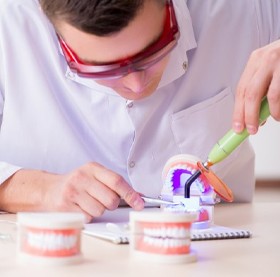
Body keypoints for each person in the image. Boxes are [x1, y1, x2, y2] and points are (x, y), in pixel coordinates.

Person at [0, 0, 279, 222]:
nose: (136, 84)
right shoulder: (8, 26)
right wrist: (40, 190)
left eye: (154, 49)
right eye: (102, 68)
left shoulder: (245, 8)